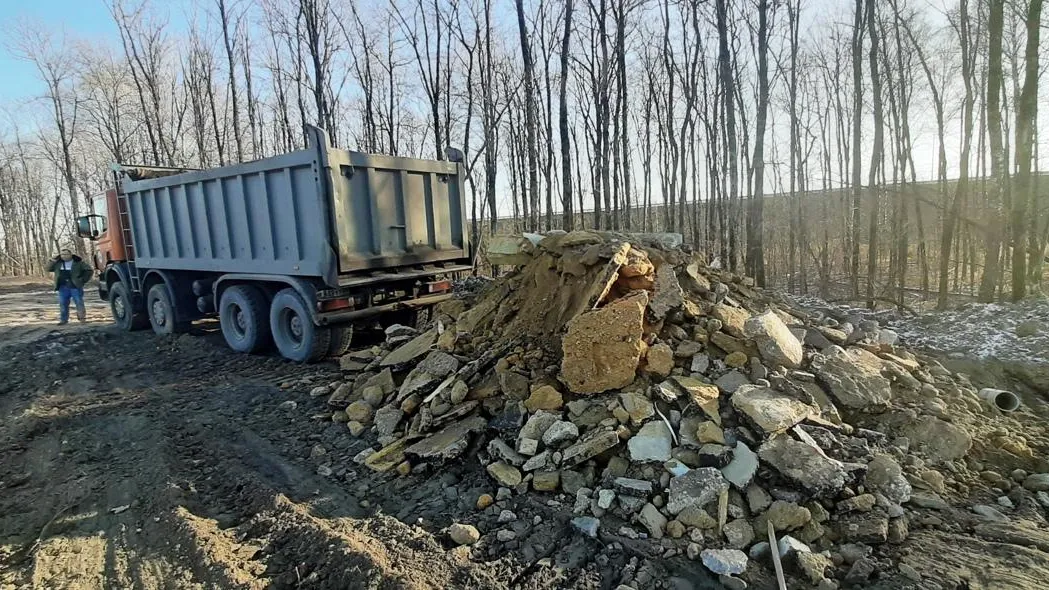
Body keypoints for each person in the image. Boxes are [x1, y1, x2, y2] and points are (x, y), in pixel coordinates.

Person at [47, 248, 94, 325]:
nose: (63, 256)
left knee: (79, 302)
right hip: (62, 287)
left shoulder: (78, 263)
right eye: (62, 254)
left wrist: (82, 280)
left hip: (75, 286)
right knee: (63, 303)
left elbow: (89, 270)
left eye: (66, 254)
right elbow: (48, 269)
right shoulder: (58, 263)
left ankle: (82, 319)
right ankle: (63, 320)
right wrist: (52, 261)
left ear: (70, 255)